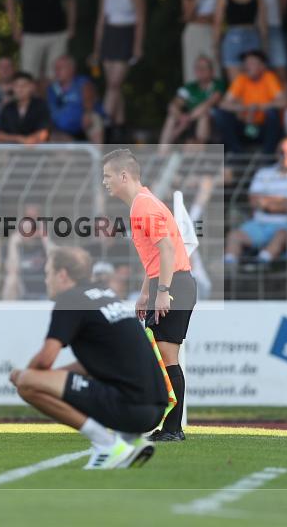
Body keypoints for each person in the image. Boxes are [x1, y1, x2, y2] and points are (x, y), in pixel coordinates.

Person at [10, 246, 164, 468]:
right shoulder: (105, 294)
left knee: (27, 384)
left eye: (48, 273)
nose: (46, 280)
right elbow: (91, 365)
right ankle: (130, 440)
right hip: (153, 410)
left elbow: (45, 359)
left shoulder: (70, 300)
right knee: (38, 380)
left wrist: (27, 374)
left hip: (131, 407)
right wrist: (52, 379)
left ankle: (107, 444)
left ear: (62, 274)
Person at [102, 149, 196, 442]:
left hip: (174, 284)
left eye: (107, 176)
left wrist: (163, 292)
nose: (104, 182)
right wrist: (146, 293)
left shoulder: (143, 206)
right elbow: (155, 256)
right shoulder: (141, 204)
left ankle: (172, 428)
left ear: (124, 176)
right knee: (156, 356)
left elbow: (167, 249)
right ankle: (164, 424)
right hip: (167, 283)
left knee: (167, 357)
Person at [224, 137, 287, 268]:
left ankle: (260, 264)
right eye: (282, 152)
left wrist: (266, 202)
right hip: (259, 223)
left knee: (282, 235)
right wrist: (282, 202)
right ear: (276, 153)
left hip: (286, 224)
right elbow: (254, 200)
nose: (286, 156)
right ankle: (229, 265)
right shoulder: (264, 172)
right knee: (234, 235)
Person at [92, 0, 146, 133]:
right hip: (110, 36)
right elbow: (101, 23)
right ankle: (120, 124)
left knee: (115, 83)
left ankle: (104, 122)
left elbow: (140, 20)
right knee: (113, 85)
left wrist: (137, 45)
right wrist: (97, 49)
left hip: (126, 35)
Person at [212, 49, 286, 154]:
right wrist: (244, 107)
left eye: (252, 63)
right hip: (246, 126)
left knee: (272, 114)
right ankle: (237, 153)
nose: (247, 66)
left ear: (262, 66)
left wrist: (259, 107)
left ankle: (267, 156)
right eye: (246, 63)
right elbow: (223, 104)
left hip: (263, 128)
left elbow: (283, 102)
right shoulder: (241, 79)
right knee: (221, 114)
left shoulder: (269, 77)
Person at [214, 0, 267, 83]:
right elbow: (262, 22)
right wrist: (264, 44)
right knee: (255, 82)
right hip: (252, 35)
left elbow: (218, 22)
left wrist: (216, 46)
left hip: (233, 37)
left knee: (236, 84)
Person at [159, 55, 225, 146]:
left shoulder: (218, 84)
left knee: (204, 115)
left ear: (211, 71)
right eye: (198, 68)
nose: (200, 71)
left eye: (204, 68)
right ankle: (161, 153)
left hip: (211, 123)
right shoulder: (190, 87)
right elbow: (174, 104)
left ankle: (199, 151)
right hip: (189, 122)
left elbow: (209, 103)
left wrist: (186, 120)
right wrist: (180, 116)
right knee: (171, 117)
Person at [181, 0, 220, 81]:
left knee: (214, 65)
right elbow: (188, 16)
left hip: (210, 30)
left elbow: (218, 15)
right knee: (192, 68)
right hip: (194, 31)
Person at [47, 55, 104, 143]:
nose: (57, 71)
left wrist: (87, 112)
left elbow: (89, 97)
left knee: (94, 119)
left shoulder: (82, 82)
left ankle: (97, 154)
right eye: (56, 68)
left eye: (61, 68)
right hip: (60, 130)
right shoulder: (51, 88)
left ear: (72, 69)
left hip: (82, 124)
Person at [2, 203, 52, 300]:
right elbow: (12, 270)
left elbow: (56, 259)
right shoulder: (14, 245)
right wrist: (13, 244)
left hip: (44, 294)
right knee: (11, 280)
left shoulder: (42, 244)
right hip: (22, 293)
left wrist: (45, 238)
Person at [0, 71, 50, 144]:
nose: (20, 89)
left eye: (24, 86)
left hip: (36, 151)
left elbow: (44, 132)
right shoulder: (8, 108)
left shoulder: (41, 105)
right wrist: (19, 139)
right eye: (17, 86)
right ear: (12, 87)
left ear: (31, 87)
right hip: (11, 152)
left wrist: (31, 140)